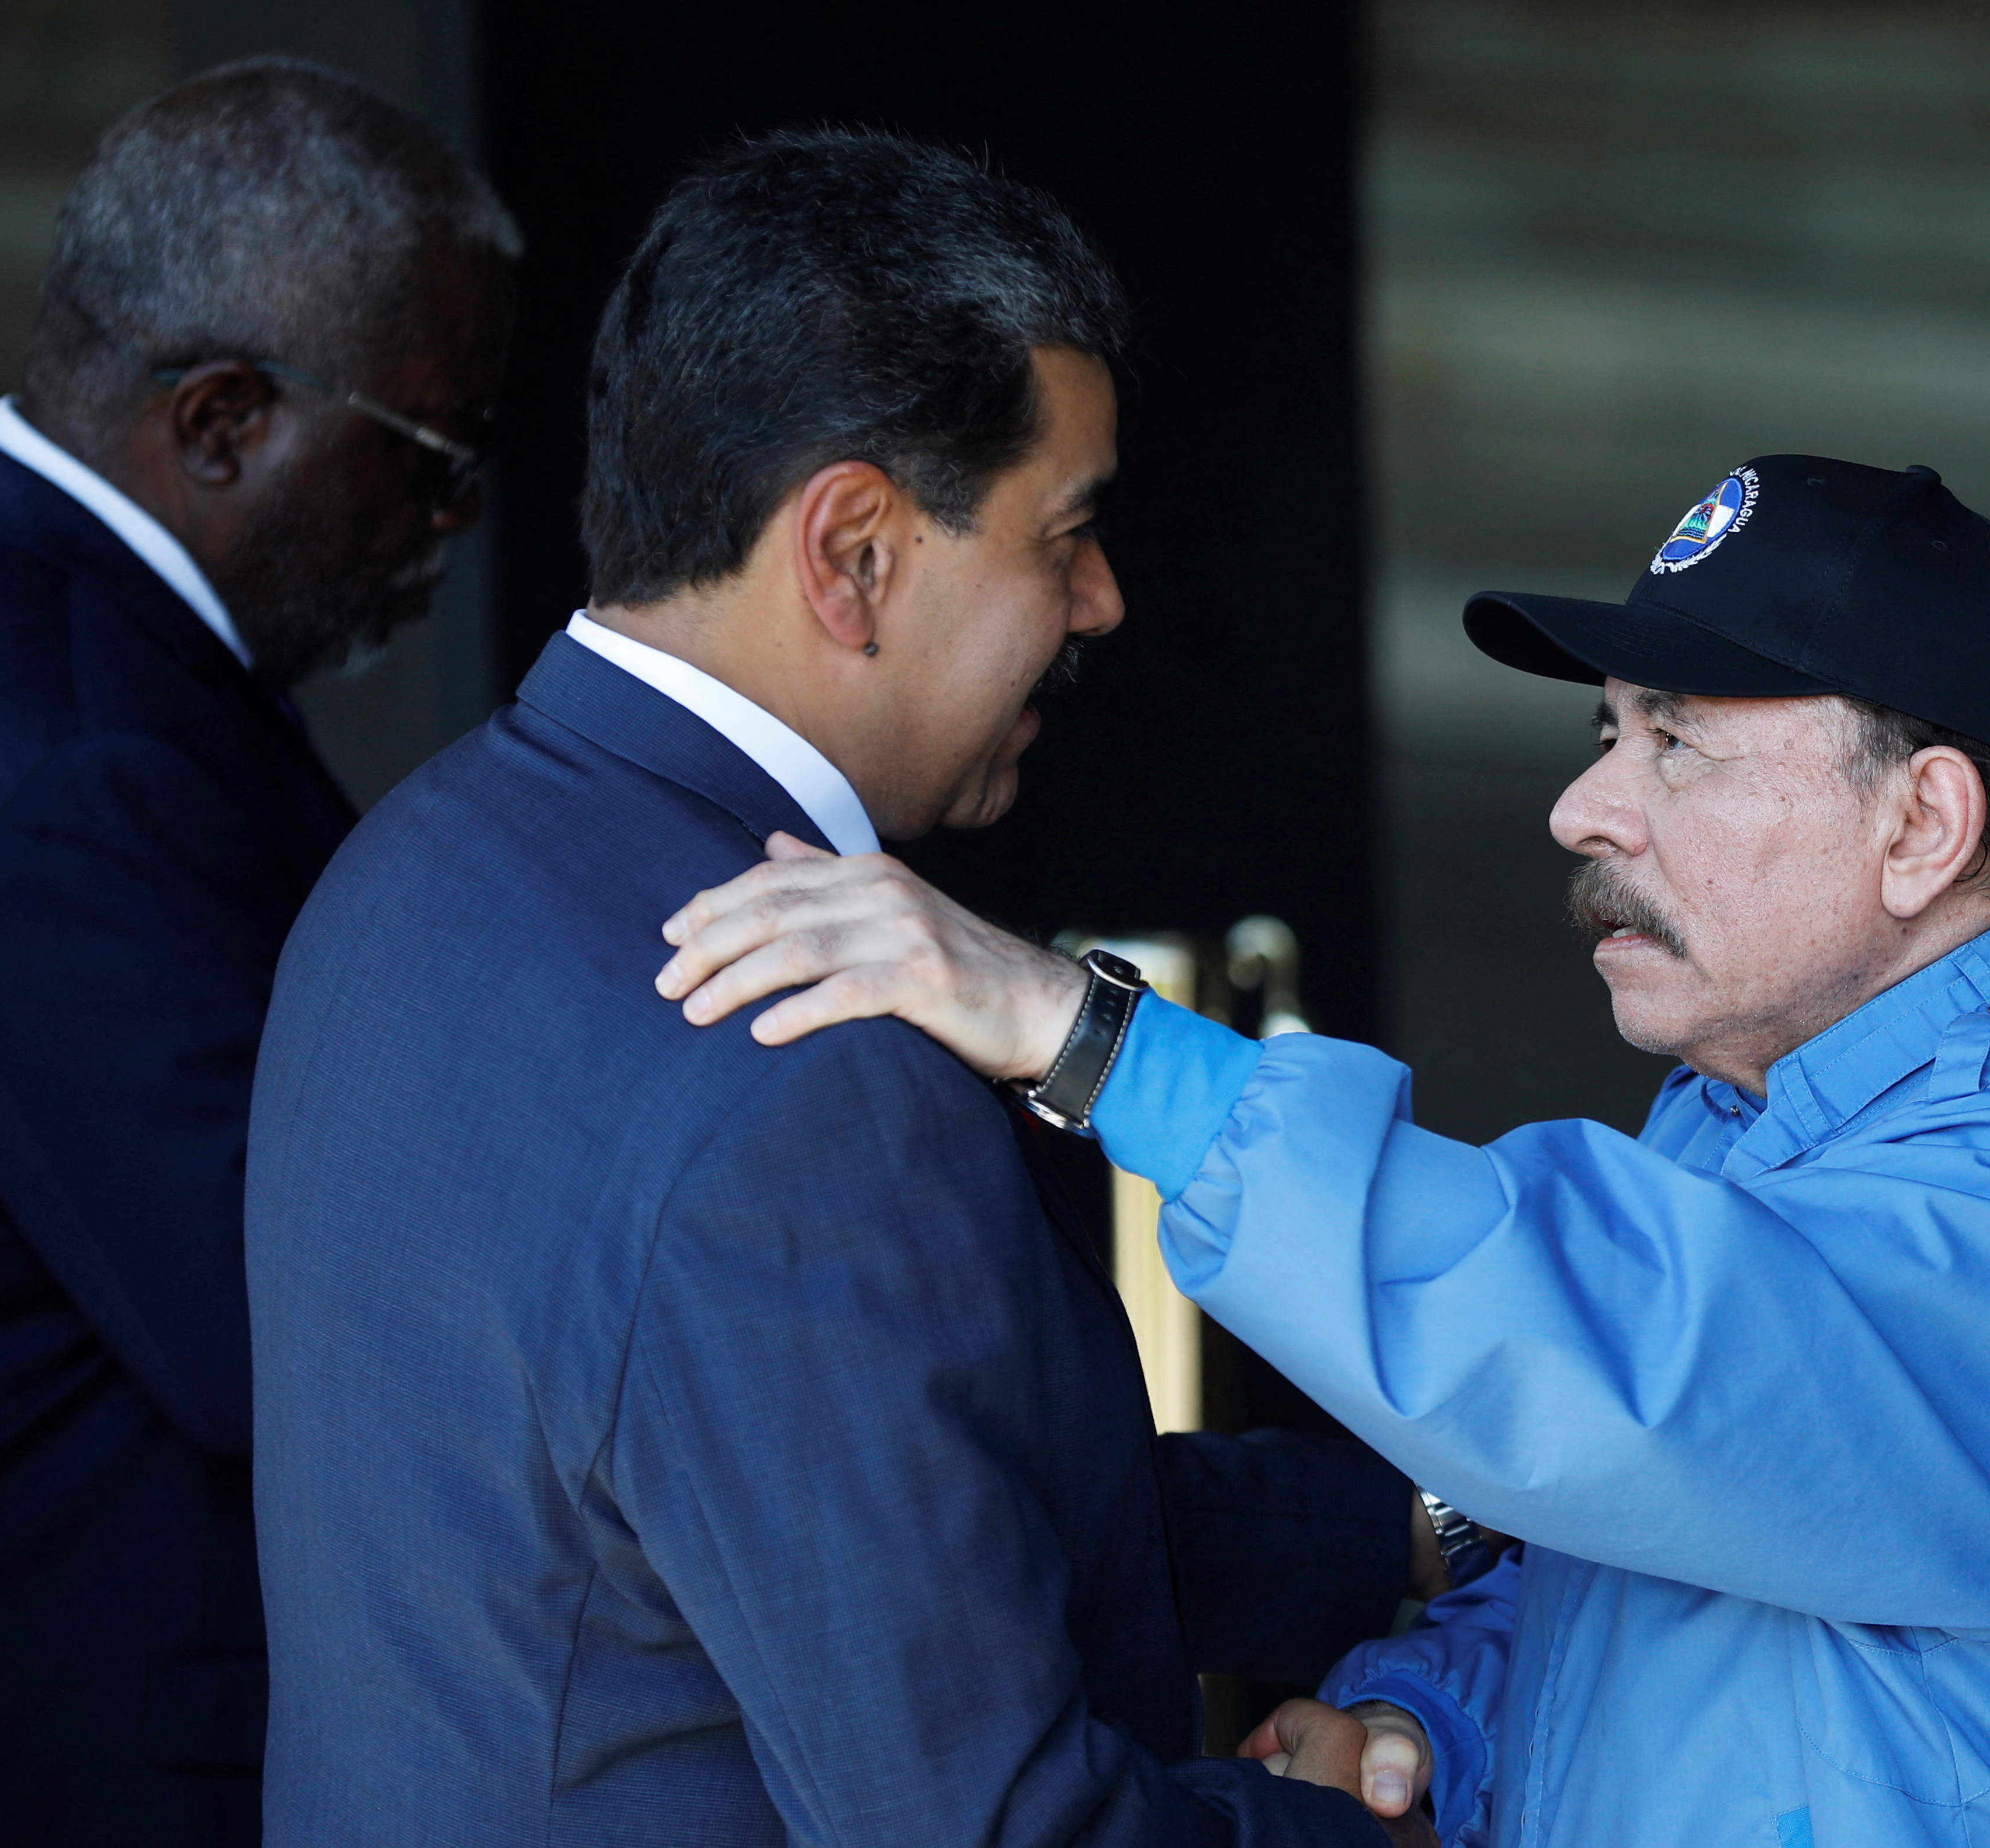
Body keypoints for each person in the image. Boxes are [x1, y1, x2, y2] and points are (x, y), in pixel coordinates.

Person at [654, 456, 1990, 1846]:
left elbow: (1670, 1380)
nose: (1587, 809)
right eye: (1608, 734)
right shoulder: (1758, 1113)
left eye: (1678, 741)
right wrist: (1439, 1717)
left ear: (1925, 824)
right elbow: (1695, 1553)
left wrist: (1090, 1040)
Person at [245, 130, 1423, 1847]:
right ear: (853, 551)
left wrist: (1433, 1518)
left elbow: (877, 1511)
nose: (1104, 599)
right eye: (1067, 534)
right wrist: (1396, 1824)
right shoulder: (804, 1075)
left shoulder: (407, 866)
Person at [0, 59, 515, 1846]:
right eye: (431, 461)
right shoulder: (75, 757)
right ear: (224, 419)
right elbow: (295, 1343)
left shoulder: (1, 624)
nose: (449, 529)